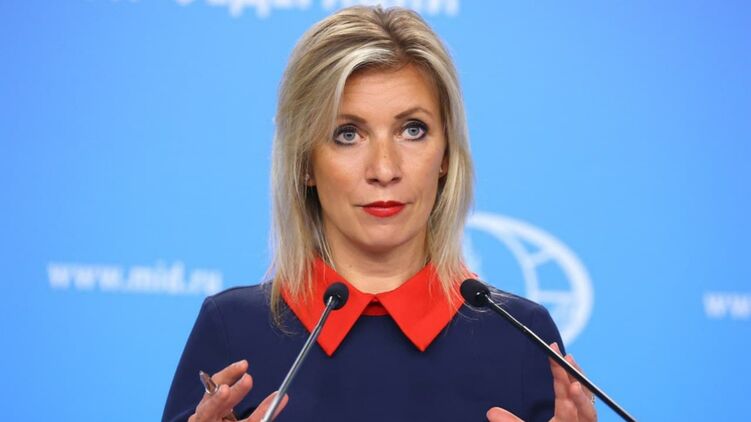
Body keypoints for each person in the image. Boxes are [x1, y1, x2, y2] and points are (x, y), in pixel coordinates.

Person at [163, 6, 597, 422]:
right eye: (347, 134)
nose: (384, 169)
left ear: (446, 155)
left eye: (413, 130)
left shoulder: (522, 336)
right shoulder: (231, 330)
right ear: (305, 162)